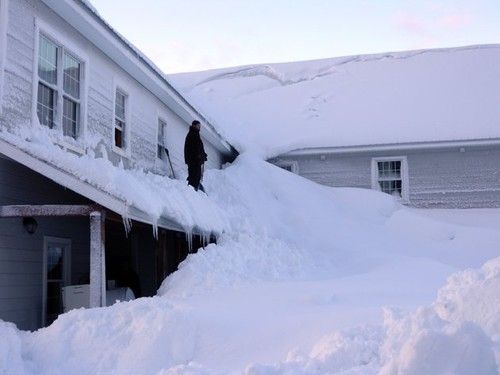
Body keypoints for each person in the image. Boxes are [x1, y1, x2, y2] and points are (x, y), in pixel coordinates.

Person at [184, 120, 207, 191]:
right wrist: (199, 156)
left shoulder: (195, 134)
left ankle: (194, 188)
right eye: (198, 126)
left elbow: (199, 148)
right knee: (194, 175)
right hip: (193, 160)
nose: (199, 127)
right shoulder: (192, 134)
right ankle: (192, 188)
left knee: (197, 175)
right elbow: (193, 148)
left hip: (196, 160)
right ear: (194, 125)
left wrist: (204, 155)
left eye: (200, 126)